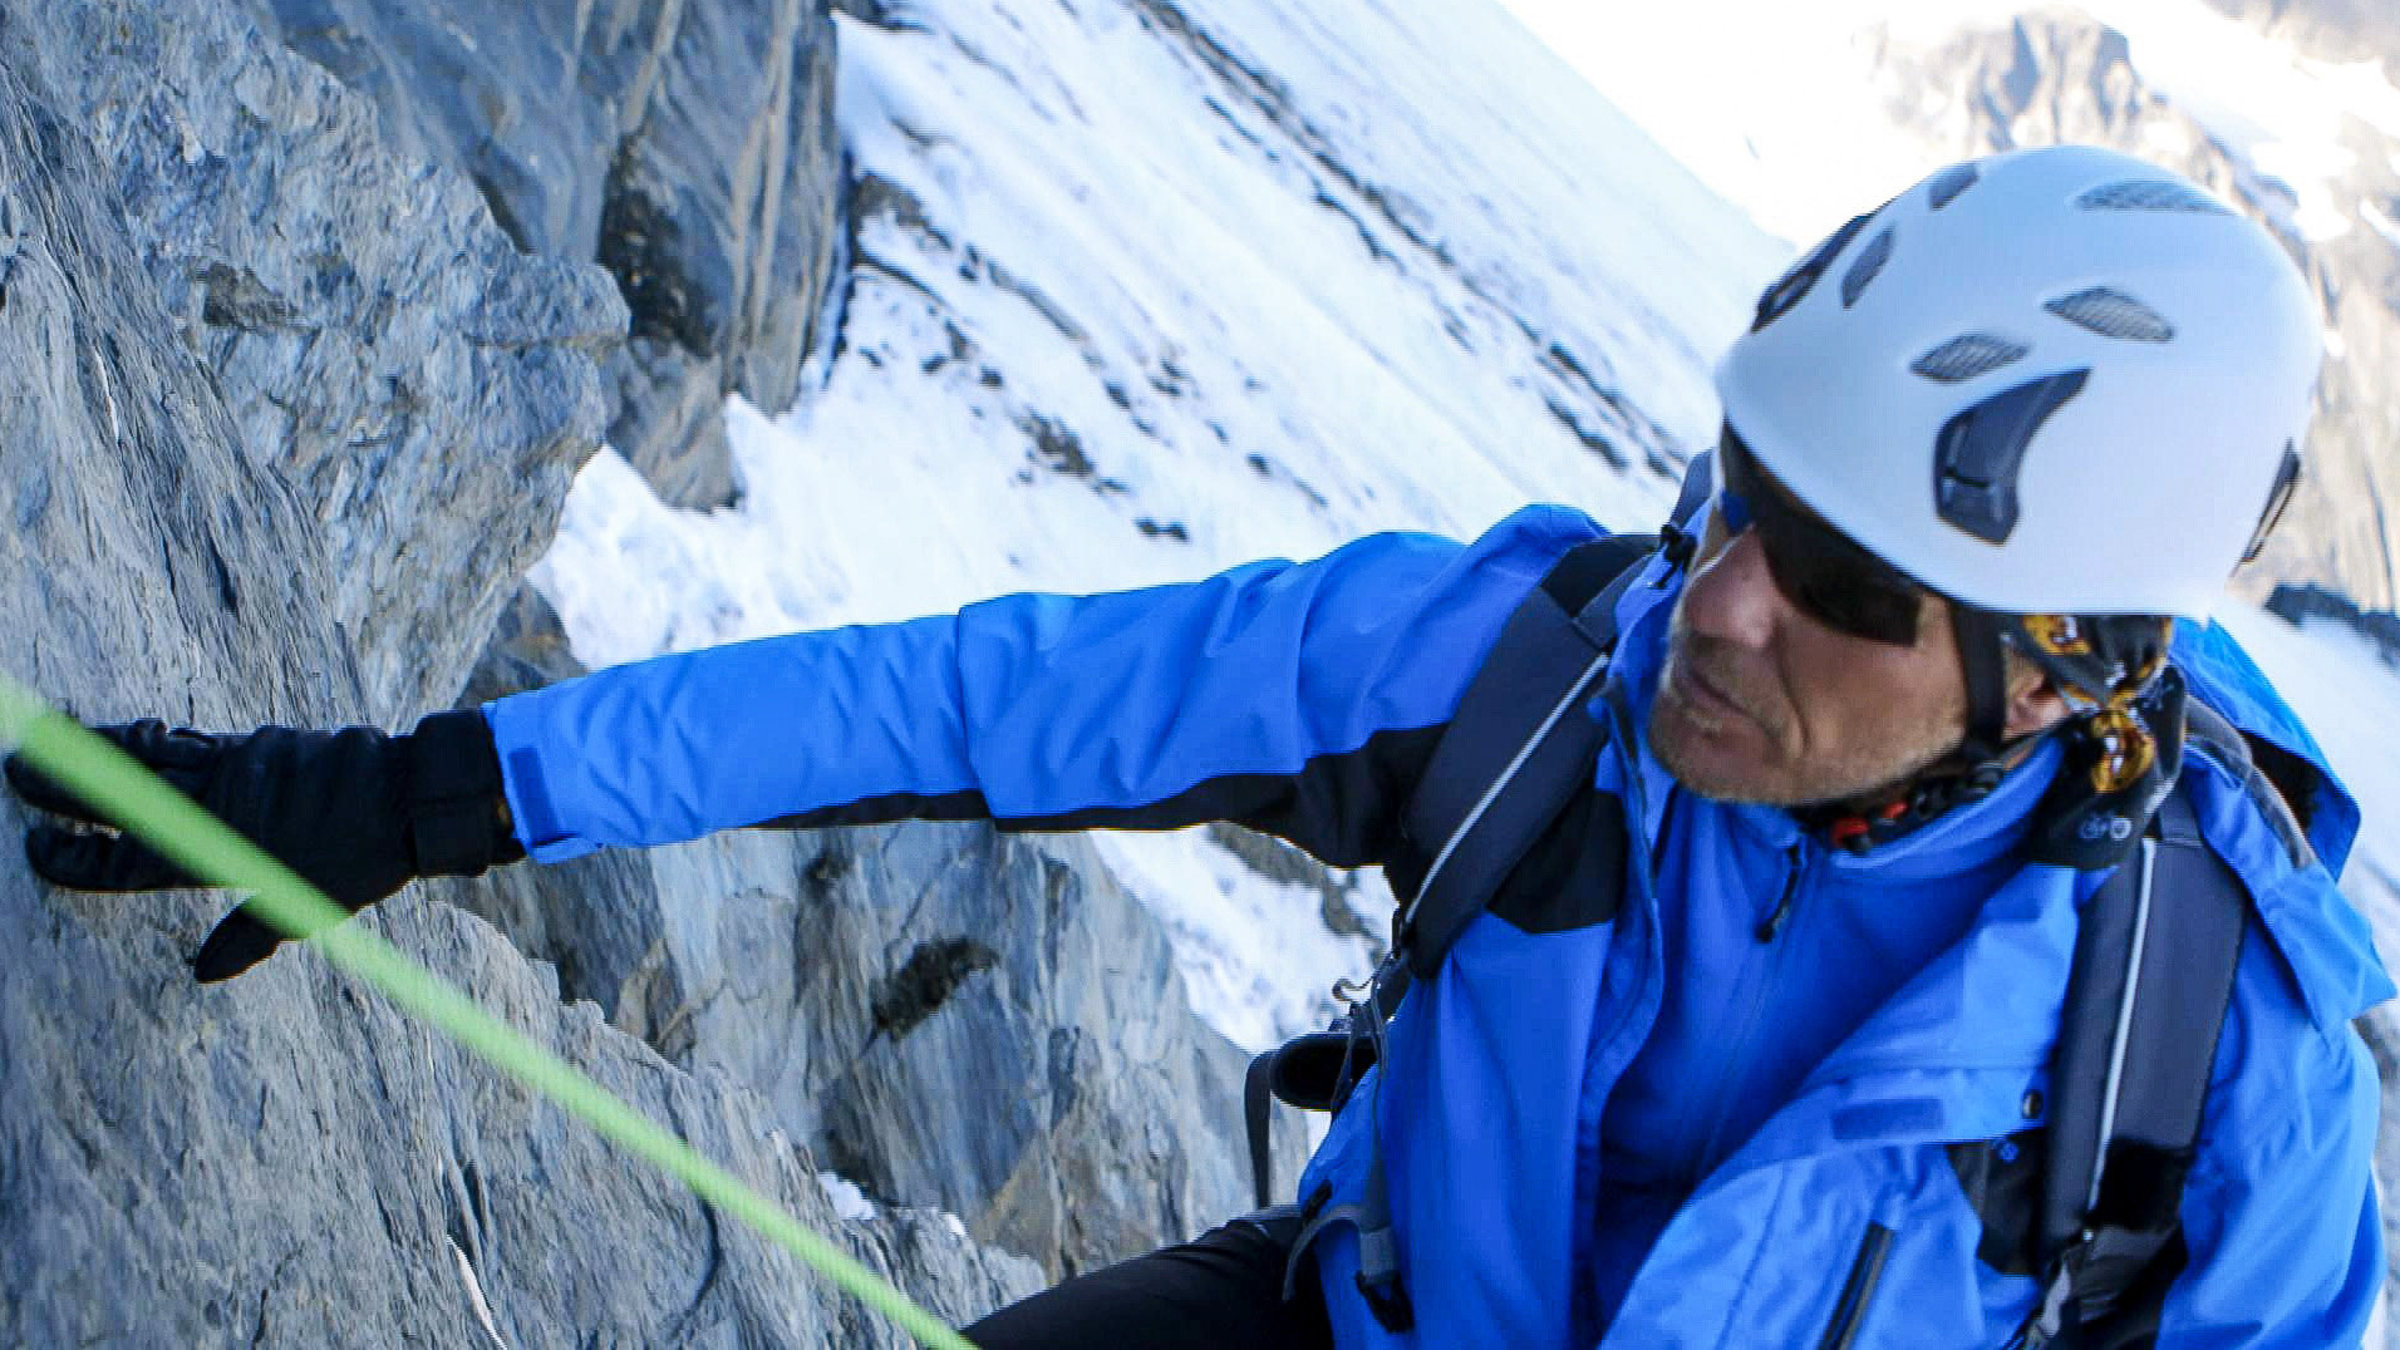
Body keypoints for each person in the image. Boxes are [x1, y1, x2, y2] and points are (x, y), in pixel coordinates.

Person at [7, 144, 2389, 1347]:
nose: (1729, 603)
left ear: (2066, 673)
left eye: (1851, 585)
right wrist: (426, 796)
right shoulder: (1528, 667)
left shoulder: (2214, 1091)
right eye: (1739, 493)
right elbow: (978, 700)